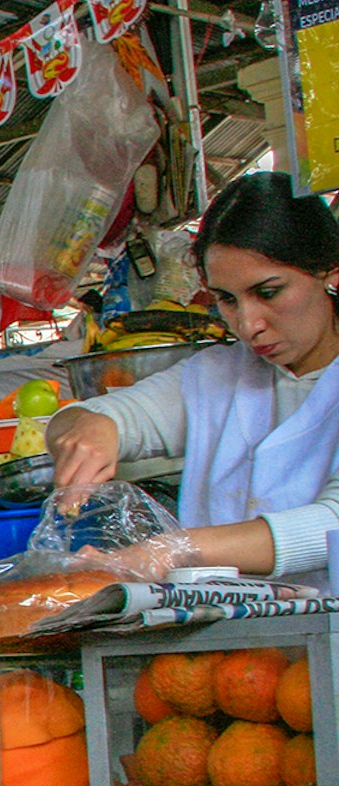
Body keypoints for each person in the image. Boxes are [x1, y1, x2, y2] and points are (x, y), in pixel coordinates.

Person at [49, 172, 339, 582]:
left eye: (268, 292)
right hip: (230, 622)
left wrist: (173, 549)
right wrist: (90, 429)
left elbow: (330, 524)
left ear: (330, 273)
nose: (248, 324)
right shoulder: (217, 375)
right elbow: (86, 418)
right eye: (227, 300)